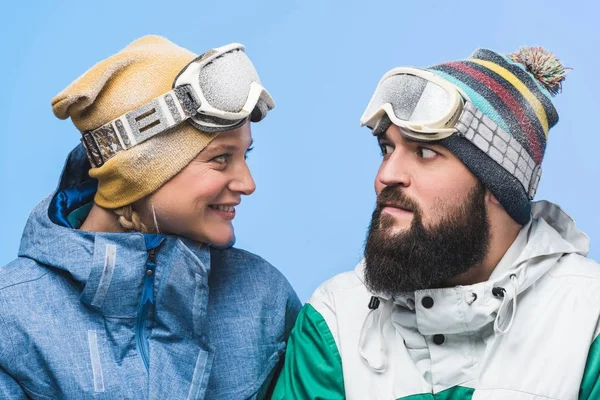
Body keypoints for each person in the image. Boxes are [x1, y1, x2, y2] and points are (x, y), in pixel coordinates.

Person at [272, 47, 600, 399]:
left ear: (497, 185)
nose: (386, 175)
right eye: (386, 149)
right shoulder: (334, 321)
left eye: (425, 152)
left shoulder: (588, 320)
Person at [0, 35, 301, 399]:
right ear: (139, 171)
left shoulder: (263, 296)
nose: (247, 183)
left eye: (245, 156)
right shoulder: (13, 316)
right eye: (221, 158)